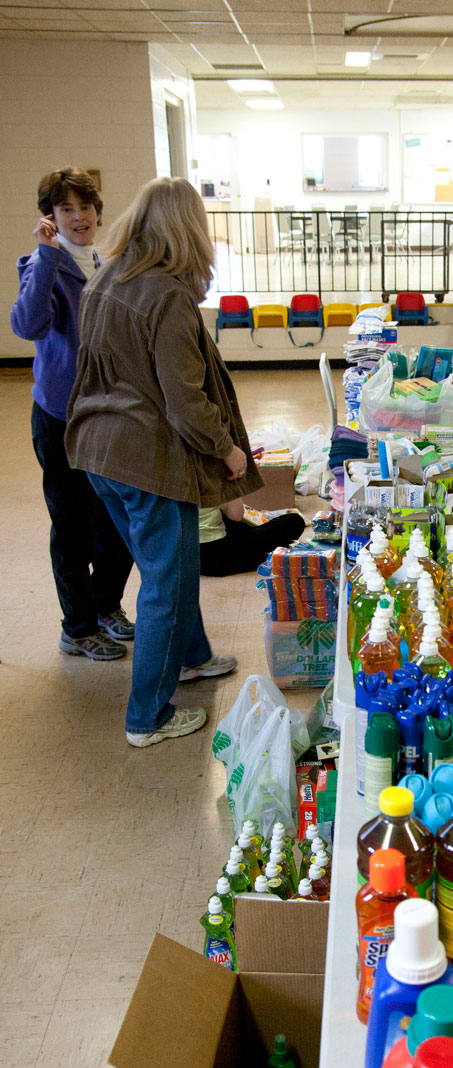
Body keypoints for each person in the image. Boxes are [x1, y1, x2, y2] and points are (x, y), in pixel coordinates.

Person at [65, 177, 264, 747]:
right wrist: (228, 451)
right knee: (167, 585)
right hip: (147, 462)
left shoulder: (108, 277)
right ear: (188, 230)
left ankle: (193, 656)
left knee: (165, 569)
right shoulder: (169, 295)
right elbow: (187, 404)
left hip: (98, 450)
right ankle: (147, 717)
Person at [10, 167, 134, 660]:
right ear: (50, 217)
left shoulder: (106, 262)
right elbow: (28, 323)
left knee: (115, 518)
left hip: (108, 413)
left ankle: (106, 607)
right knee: (72, 526)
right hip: (61, 416)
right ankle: (78, 627)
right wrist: (46, 255)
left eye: (85, 207)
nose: (78, 216)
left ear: (97, 212)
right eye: (66, 209)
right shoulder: (41, 264)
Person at [199, 500, 305, 577]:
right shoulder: (214, 474)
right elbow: (236, 516)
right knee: (295, 521)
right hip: (215, 557)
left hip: (187, 556)